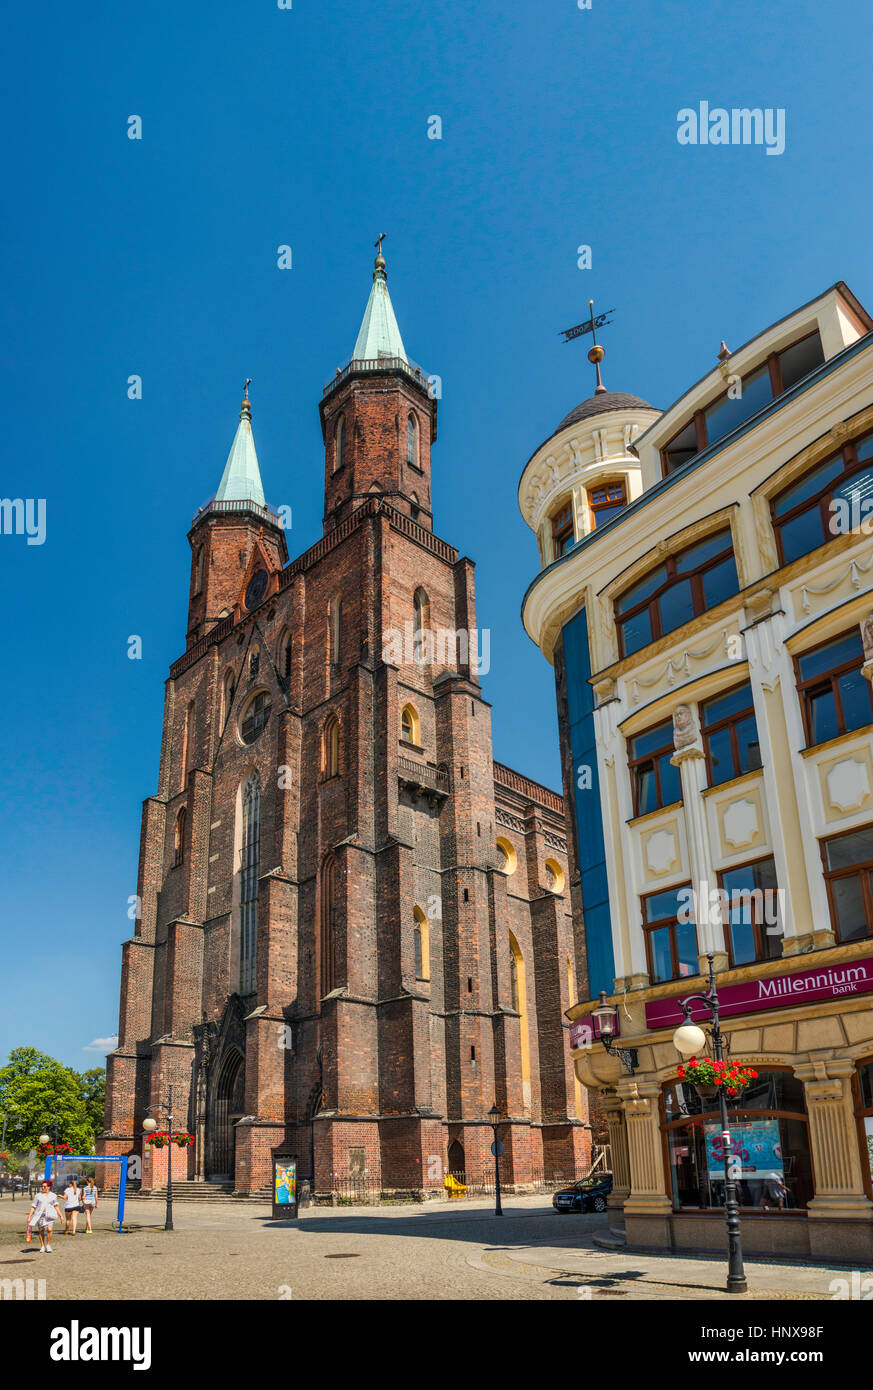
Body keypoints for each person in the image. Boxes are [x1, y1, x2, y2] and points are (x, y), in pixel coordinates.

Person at [27, 1180, 61, 1253]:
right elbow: (33, 1206)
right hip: (40, 1215)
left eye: (45, 1186)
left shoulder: (53, 1195)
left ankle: (48, 1245)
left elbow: (56, 1206)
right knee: (41, 1231)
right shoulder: (38, 1195)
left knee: (49, 1229)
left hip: (50, 1215)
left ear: (49, 1187)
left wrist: (60, 1215)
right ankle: (42, 1245)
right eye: (42, 1186)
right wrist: (29, 1216)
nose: (43, 1188)